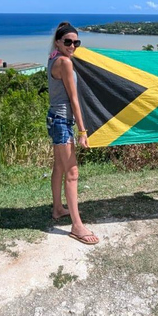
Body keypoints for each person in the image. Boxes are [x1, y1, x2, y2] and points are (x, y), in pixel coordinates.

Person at [47, 22, 99, 244]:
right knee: (72, 172)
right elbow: (74, 100)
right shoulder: (65, 63)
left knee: (59, 167)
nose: (72, 46)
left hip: (55, 118)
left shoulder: (53, 58)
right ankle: (77, 226)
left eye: (76, 42)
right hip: (62, 122)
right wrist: (83, 130)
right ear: (58, 42)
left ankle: (58, 209)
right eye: (67, 41)